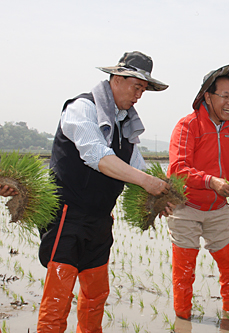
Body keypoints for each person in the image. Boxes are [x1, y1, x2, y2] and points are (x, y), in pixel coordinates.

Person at [37, 51, 172, 332]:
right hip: (67, 216)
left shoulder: (125, 125)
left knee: (96, 294)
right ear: (118, 79)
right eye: (137, 87)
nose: (139, 95)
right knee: (58, 297)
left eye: (143, 90)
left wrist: (159, 197)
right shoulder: (82, 109)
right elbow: (96, 155)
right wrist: (147, 183)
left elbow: (138, 169)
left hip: (100, 221)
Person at [167, 63, 229, 319]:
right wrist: (211, 181)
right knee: (184, 270)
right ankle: (183, 319)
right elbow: (177, 168)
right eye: (226, 96)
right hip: (186, 208)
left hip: (218, 209)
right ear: (207, 96)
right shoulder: (188, 126)